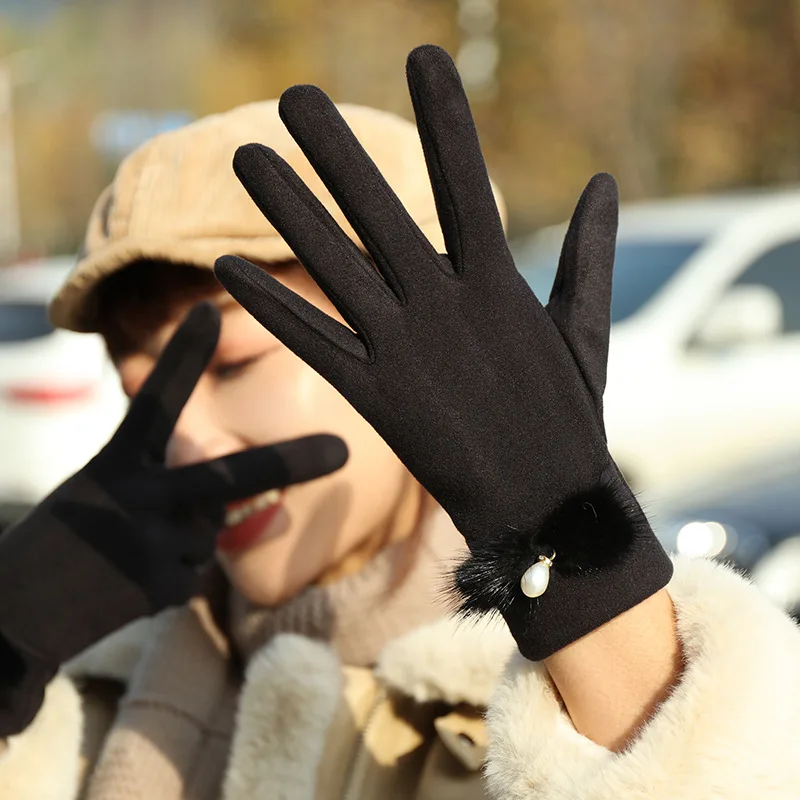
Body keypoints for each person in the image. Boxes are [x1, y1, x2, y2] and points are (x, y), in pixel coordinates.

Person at [1, 44, 798, 800]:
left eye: (234, 366)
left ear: (419, 354)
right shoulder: (86, 680)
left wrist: (585, 580)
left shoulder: (560, 690)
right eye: (146, 390)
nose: (183, 441)